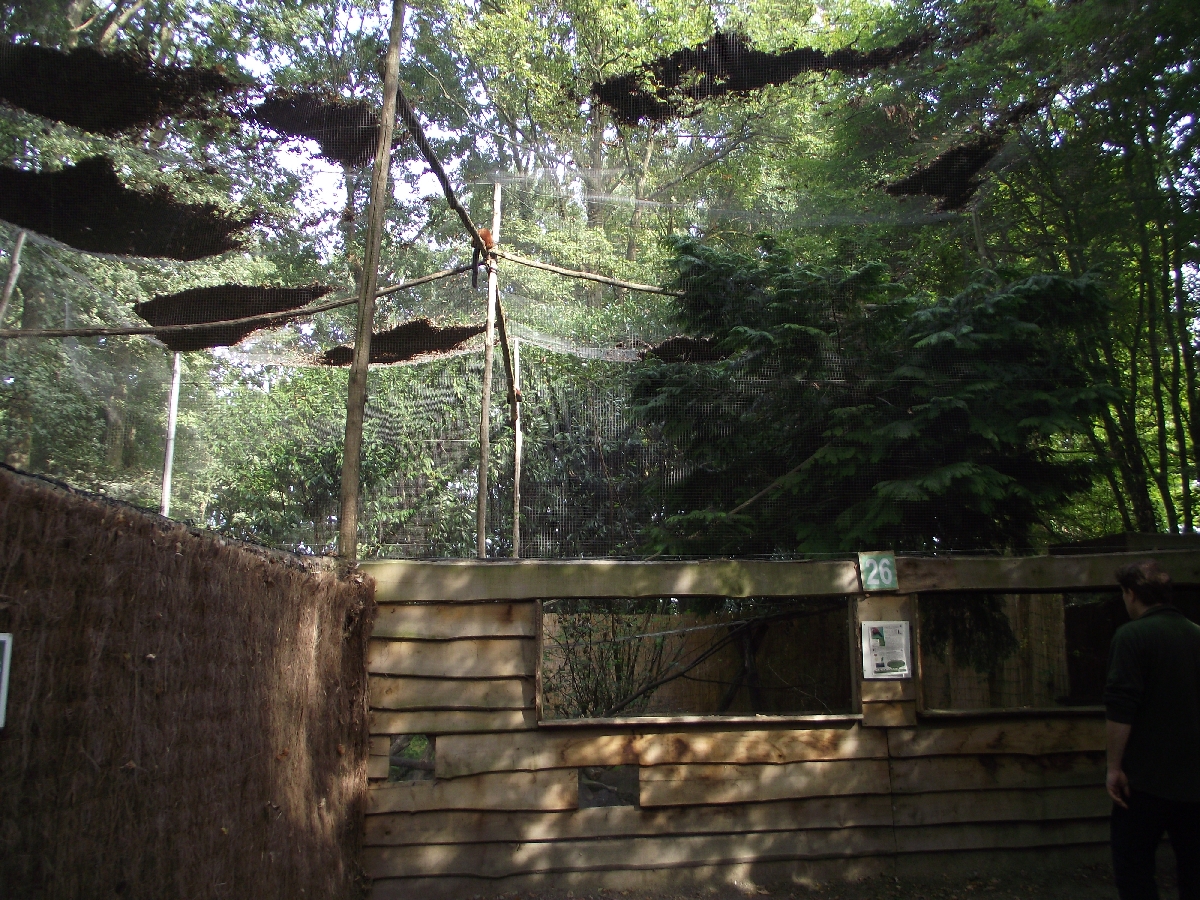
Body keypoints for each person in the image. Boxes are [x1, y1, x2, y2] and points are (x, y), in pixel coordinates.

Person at [1105, 560, 1200, 900]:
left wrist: (1114, 767)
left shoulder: (1131, 636)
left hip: (1143, 782)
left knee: (1134, 870)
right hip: (1194, 782)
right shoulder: (1195, 634)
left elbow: (1121, 706)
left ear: (1131, 594)